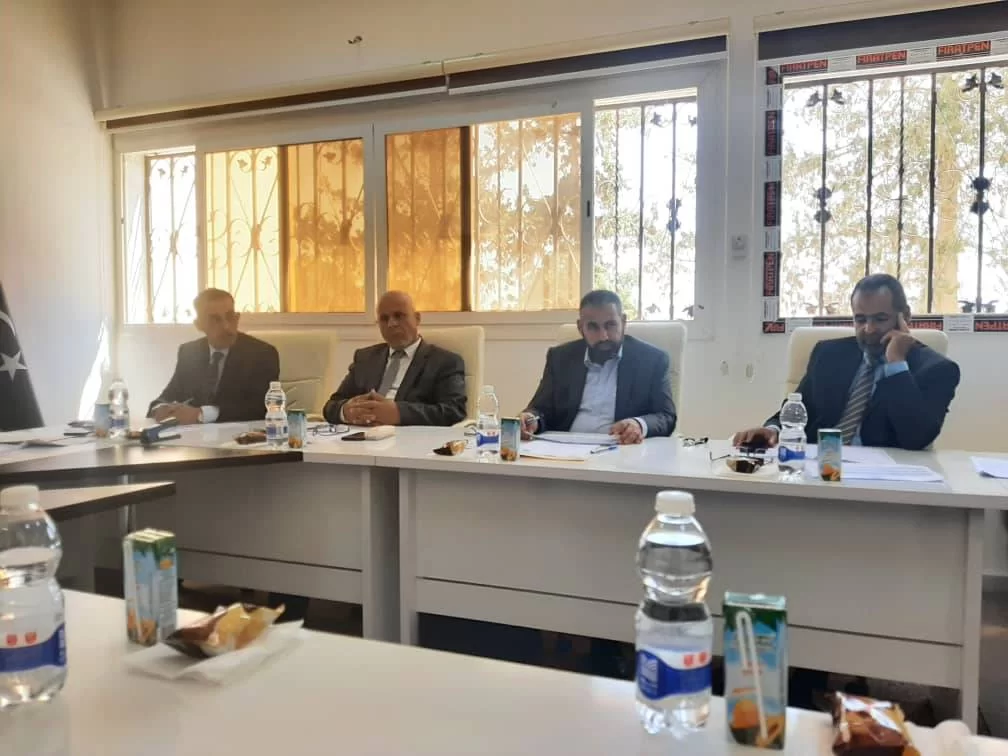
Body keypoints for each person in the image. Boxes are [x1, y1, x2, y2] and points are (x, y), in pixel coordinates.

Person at [733, 273, 960, 451]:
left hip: (884, 481)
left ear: (905, 317)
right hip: (819, 469)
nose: (869, 329)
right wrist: (772, 429)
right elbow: (799, 410)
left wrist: (896, 365)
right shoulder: (828, 354)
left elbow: (916, 439)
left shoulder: (937, 370)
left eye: (880, 319)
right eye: (860, 319)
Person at [521, 290, 676, 444]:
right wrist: (530, 419)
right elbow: (540, 409)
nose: (603, 336)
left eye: (610, 325)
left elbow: (666, 416)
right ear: (580, 328)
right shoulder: (560, 358)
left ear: (623, 322)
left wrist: (639, 424)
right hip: (564, 447)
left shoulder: (651, 360)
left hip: (621, 448)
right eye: (593, 327)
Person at [323, 290, 467, 426]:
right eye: (384, 318)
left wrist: (399, 413)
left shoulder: (445, 362)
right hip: (361, 435)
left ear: (417, 319)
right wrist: (346, 411)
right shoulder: (365, 358)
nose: (391, 323)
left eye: (399, 316)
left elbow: (454, 411)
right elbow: (331, 406)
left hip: (408, 439)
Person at [148, 289, 279, 424]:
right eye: (215, 320)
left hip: (239, 435)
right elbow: (168, 395)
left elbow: (262, 407)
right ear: (199, 325)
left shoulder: (262, 353)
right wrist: (160, 408)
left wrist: (201, 414)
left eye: (230, 317)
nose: (226, 326)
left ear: (237, 318)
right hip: (194, 435)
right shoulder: (189, 352)